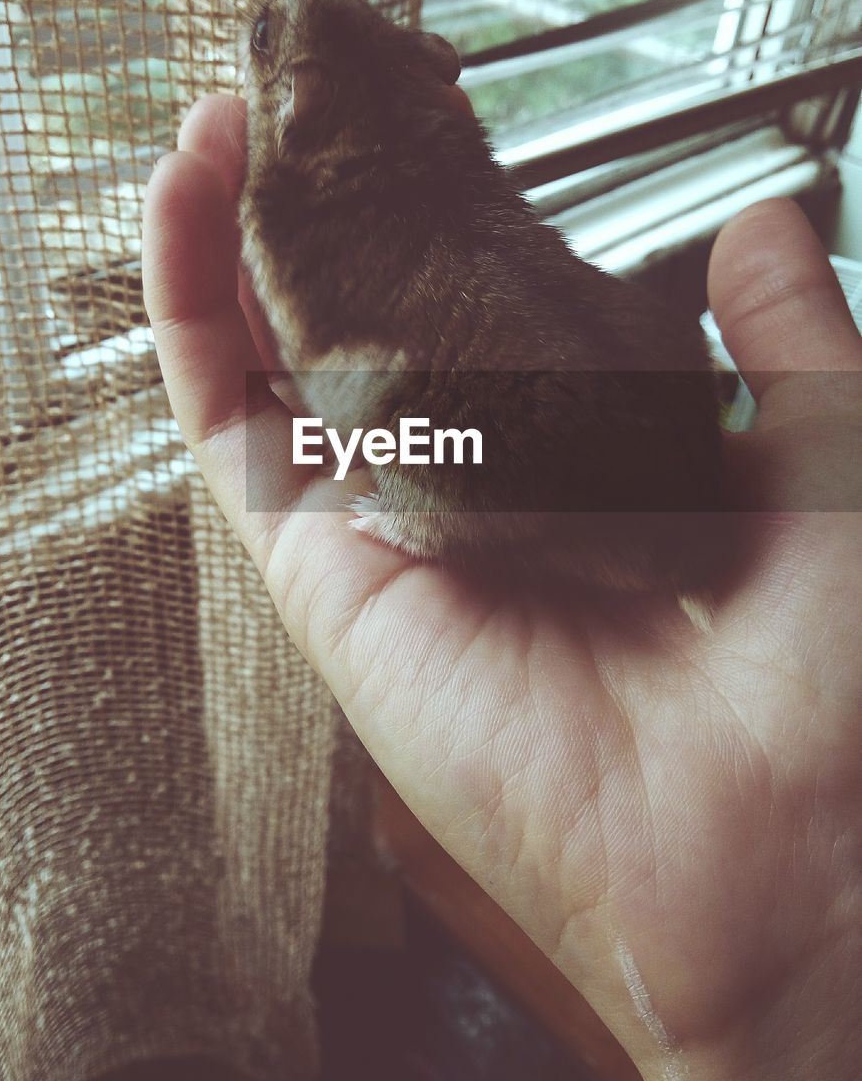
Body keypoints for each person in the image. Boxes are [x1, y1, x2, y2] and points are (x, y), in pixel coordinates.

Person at [143, 92, 862, 1080]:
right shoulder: (425, 205)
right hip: (640, 476)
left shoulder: (338, 235)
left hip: (578, 481)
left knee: (465, 444)